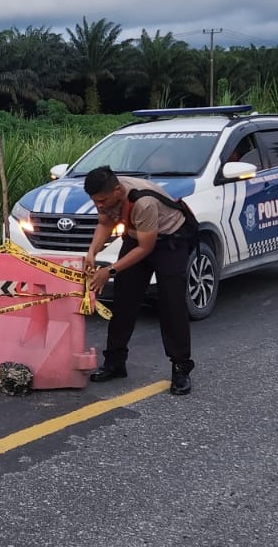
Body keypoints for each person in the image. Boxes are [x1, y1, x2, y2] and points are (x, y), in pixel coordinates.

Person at [80, 165, 196, 395]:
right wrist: (92, 253)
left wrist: (109, 270)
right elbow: (105, 223)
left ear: (117, 191)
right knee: (124, 300)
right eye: (95, 202)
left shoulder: (143, 202)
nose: (99, 206)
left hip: (169, 240)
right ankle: (115, 362)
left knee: (171, 303)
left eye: (102, 200)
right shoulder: (108, 195)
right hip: (137, 237)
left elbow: (146, 248)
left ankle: (181, 368)